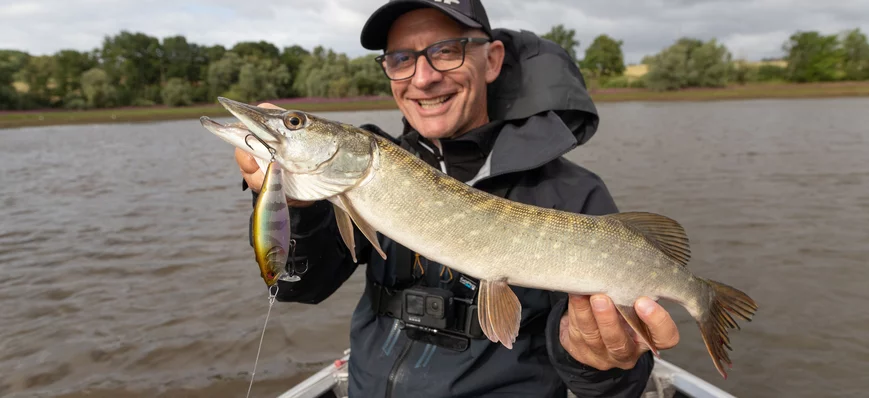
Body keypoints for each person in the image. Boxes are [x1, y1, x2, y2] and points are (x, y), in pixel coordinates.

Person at [235, 1, 681, 396]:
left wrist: (596, 359)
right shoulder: (368, 175)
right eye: (401, 58)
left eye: (446, 51)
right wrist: (294, 206)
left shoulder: (574, 194)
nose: (423, 78)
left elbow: (615, 381)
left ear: (492, 60)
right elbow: (297, 286)